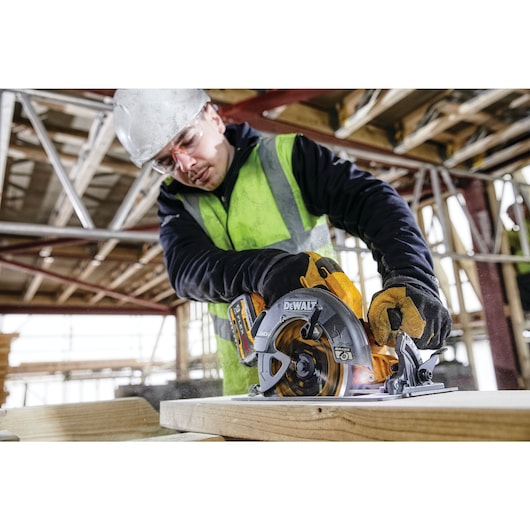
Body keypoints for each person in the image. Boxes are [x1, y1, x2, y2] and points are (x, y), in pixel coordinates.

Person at [113, 89, 452, 395]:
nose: (184, 165)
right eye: (165, 161)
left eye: (187, 140)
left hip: (334, 374)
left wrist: (411, 276)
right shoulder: (175, 200)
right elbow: (187, 270)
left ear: (213, 116)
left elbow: (373, 200)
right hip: (248, 391)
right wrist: (265, 270)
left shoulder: (288, 157)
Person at [506, 201, 530, 311]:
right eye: (509, 216)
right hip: (524, 273)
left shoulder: (526, 226)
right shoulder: (514, 232)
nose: (511, 218)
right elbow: (508, 240)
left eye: (512, 214)